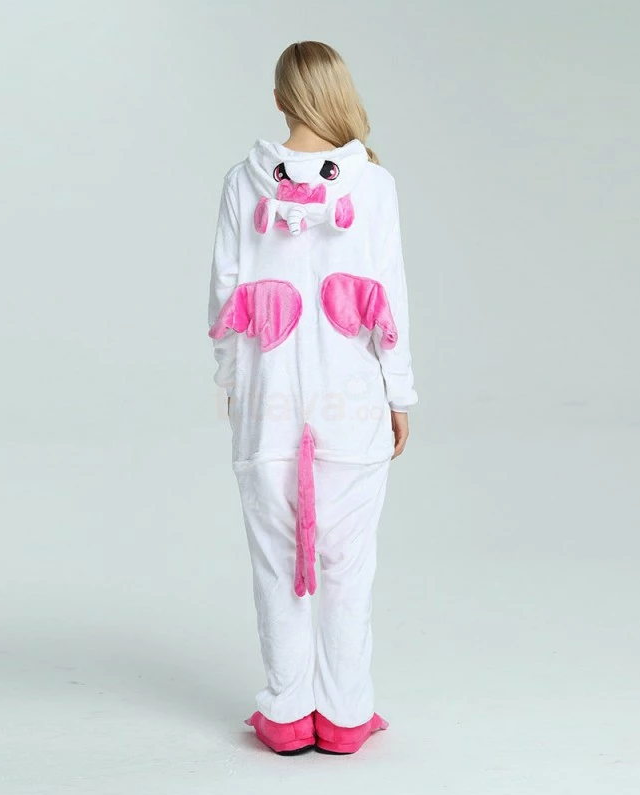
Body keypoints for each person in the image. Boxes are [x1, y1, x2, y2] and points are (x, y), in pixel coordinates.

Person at [207, 41, 418, 756]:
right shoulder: (374, 184)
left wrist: (233, 385)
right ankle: (346, 715)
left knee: (276, 563)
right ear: (337, 93)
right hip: (351, 404)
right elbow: (389, 297)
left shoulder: (243, 182)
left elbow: (224, 294)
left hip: (267, 403)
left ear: (279, 98)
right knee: (347, 567)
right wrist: (398, 393)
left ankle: (289, 713)